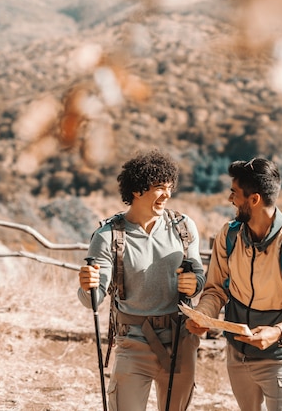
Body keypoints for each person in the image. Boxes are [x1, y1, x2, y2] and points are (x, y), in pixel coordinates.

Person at [186, 157, 282, 411]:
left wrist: (278, 332)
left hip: (281, 361)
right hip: (236, 357)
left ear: (254, 199)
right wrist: (204, 315)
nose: (230, 200)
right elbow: (215, 289)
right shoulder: (228, 235)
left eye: (234, 193)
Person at [78, 149, 206, 411]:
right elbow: (93, 298)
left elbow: (199, 276)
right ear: (137, 190)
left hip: (179, 341)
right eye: (160, 187)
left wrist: (195, 284)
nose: (168, 194)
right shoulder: (107, 236)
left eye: (170, 187)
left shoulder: (183, 228)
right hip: (133, 342)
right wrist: (86, 286)